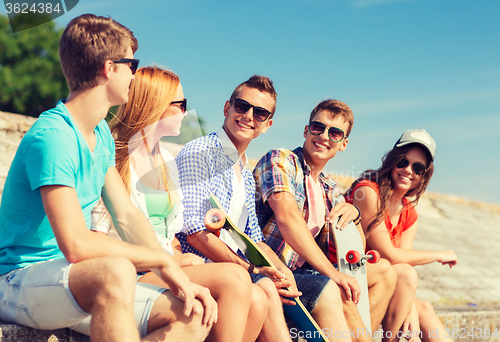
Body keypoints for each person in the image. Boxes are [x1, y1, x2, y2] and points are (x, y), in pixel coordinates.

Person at [0, 14, 215, 342]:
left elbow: (126, 215)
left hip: (71, 278)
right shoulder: (54, 136)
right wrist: (161, 258)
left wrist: (170, 267)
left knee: (194, 312)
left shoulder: (99, 132)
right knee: (115, 270)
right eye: (132, 63)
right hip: (18, 278)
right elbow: (75, 243)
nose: (134, 74)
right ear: (109, 68)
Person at [91, 65, 266, 342]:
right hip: (131, 270)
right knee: (236, 278)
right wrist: (170, 261)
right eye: (180, 104)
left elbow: (172, 235)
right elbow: (98, 238)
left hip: (163, 265)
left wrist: (178, 258)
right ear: (155, 105)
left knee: (258, 299)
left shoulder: (166, 163)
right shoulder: (114, 158)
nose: (186, 112)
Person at [176, 75, 353, 342]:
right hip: (204, 266)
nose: (249, 116)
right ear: (227, 108)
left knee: (290, 287)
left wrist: (283, 273)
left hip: (239, 269)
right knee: (268, 290)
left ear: (267, 124)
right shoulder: (201, 152)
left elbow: (255, 241)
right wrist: (253, 270)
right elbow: (194, 233)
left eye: (259, 113)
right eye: (242, 106)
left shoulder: (244, 172)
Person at [253, 99, 397, 342]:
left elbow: (354, 251)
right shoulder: (281, 160)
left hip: (305, 273)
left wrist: (354, 215)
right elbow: (287, 217)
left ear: (343, 144)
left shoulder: (329, 188)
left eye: (335, 132)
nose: (324, 136)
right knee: (334, 286)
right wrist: (333, 273)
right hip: (270, 266)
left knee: (386, 273)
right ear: (306, 131)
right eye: (318, 127)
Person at [342, 129, 458, 342]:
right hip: (347, 275)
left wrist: (410, 305)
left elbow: (403, 263)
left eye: (418, 167)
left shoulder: (409, 213)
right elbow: (391, 255)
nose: (408, 170)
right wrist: (439, 255)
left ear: (424, 175)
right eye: (403, 162)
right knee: (406, 278)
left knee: (423, 309)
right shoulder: (368, 191)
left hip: (382, 281)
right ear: (392, 161)